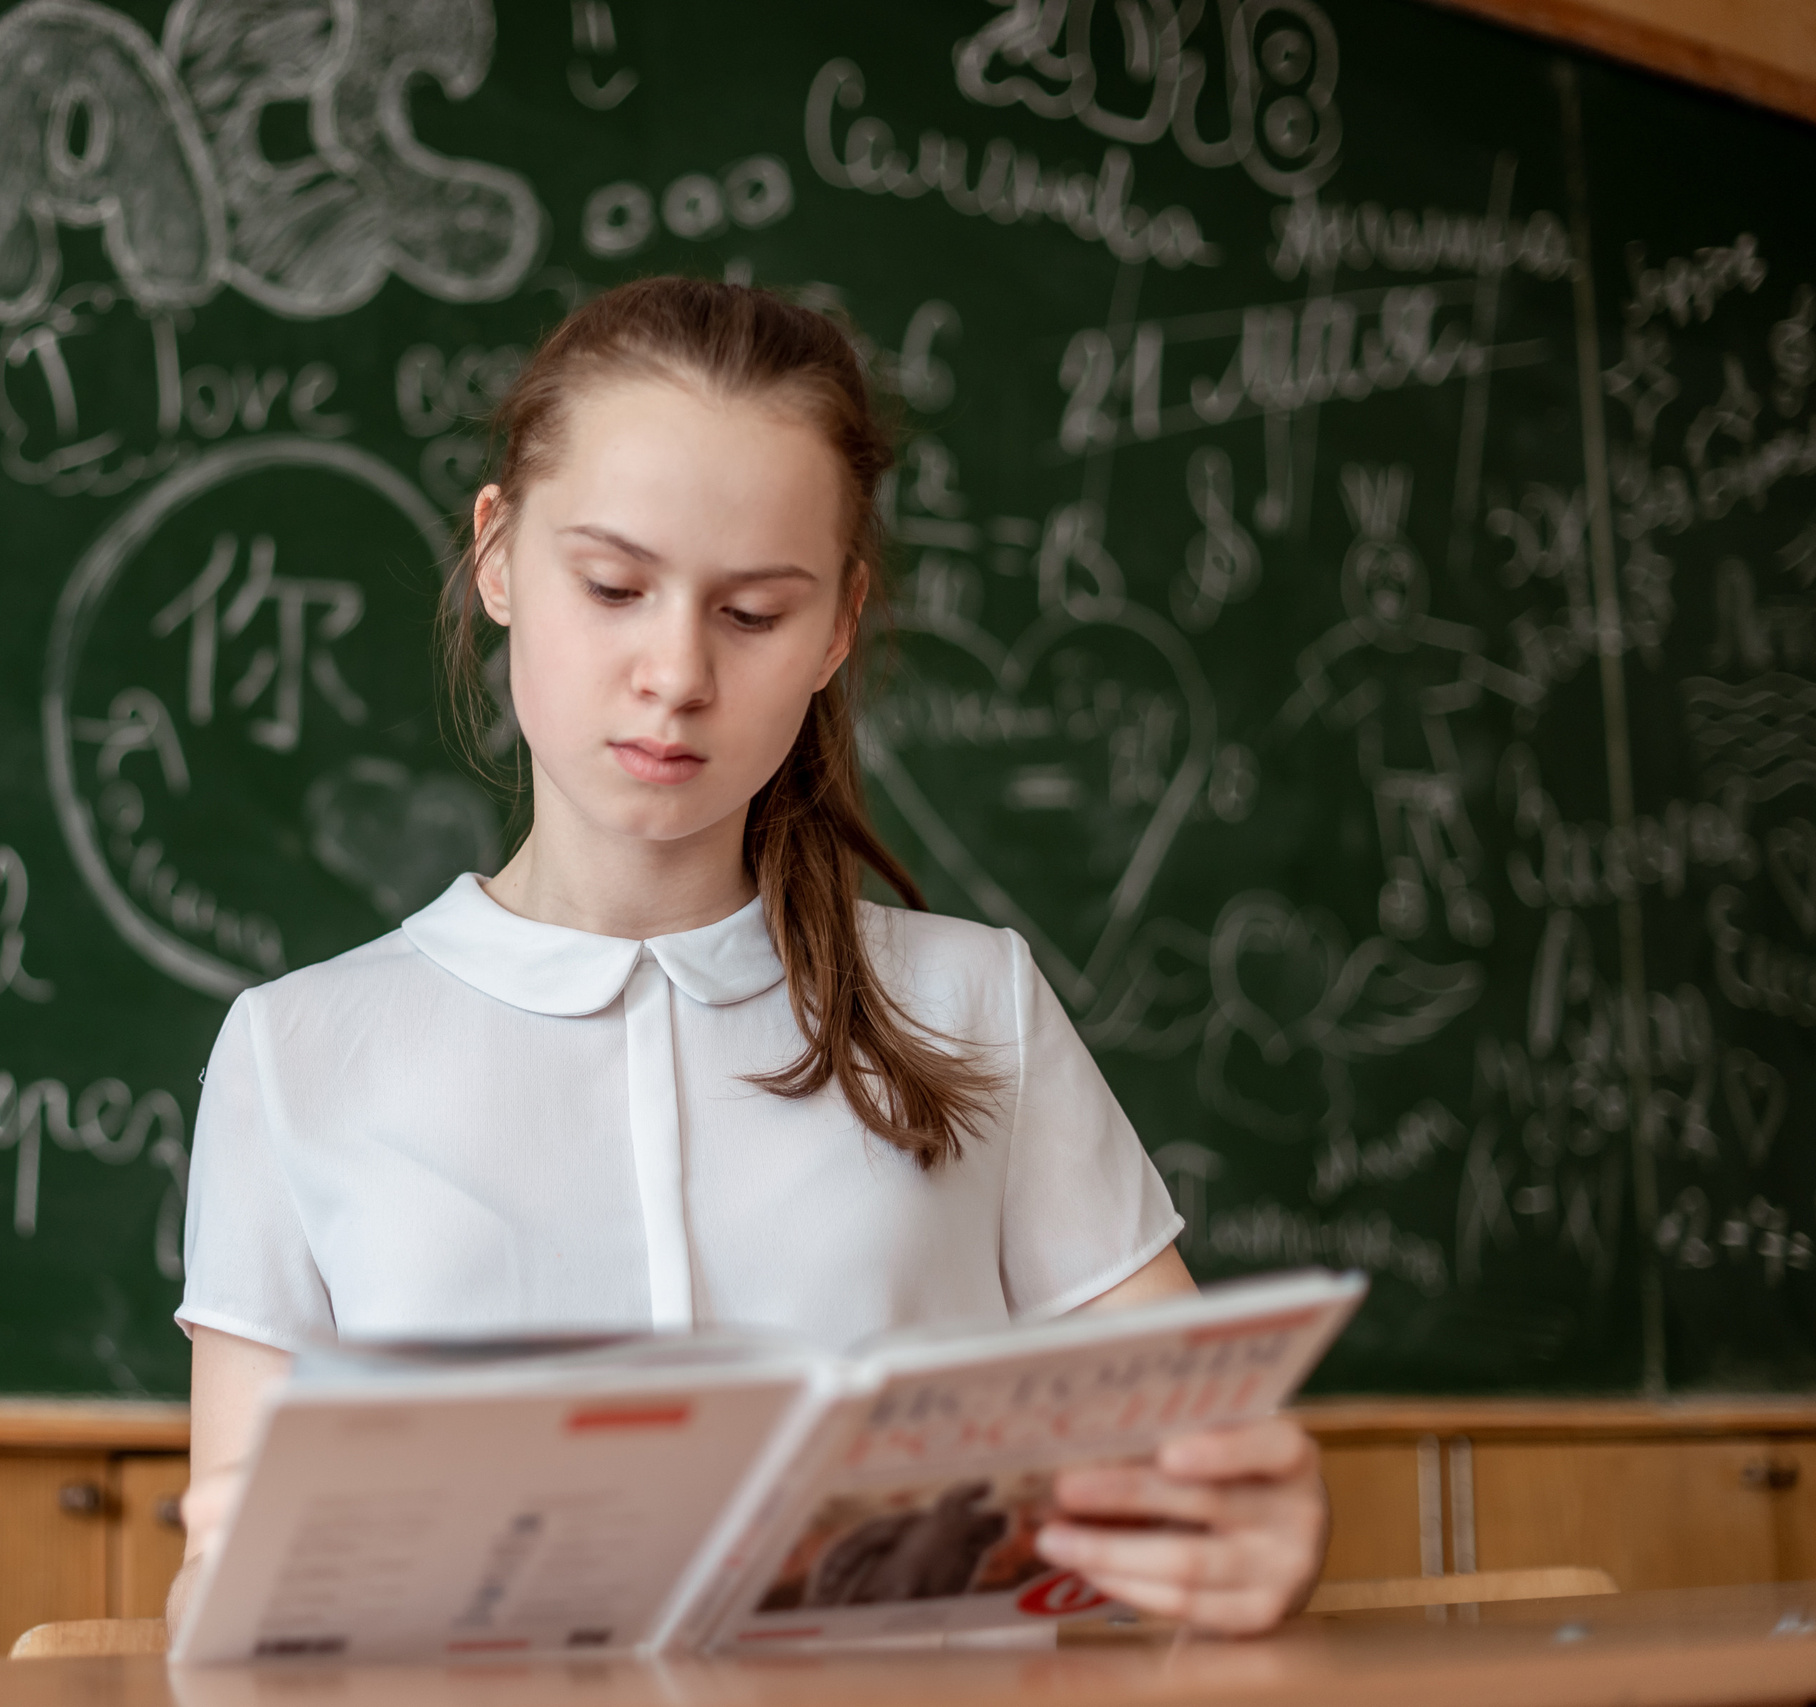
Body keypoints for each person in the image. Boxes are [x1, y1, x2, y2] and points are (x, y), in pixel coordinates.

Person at [168, 277, 1328, 1636]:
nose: (676, 674)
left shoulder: (973, 1004)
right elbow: (220, 1584)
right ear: (498, 557)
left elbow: (1199, 1467)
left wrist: (1263, 1532)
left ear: (838, 624)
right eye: (612, 587)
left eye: (755, 614)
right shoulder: (297, 1052)